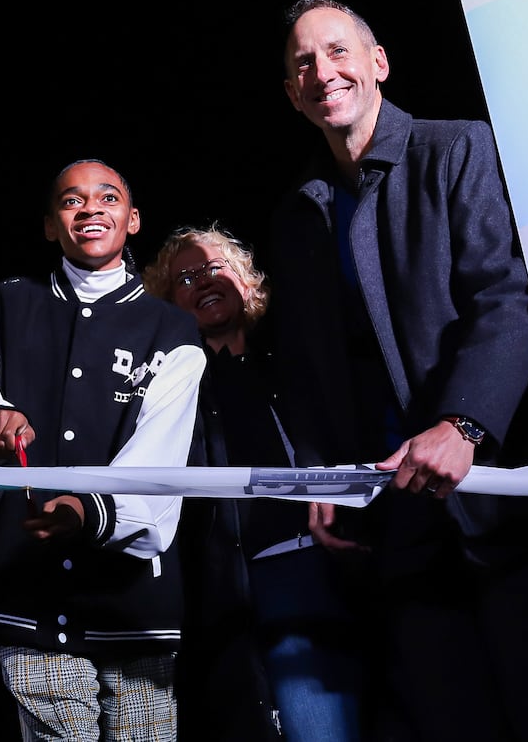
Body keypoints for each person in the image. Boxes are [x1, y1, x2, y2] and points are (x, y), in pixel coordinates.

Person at [267, 0, 528, 741]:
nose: (322, 70)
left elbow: (506, 300)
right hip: (393, 530)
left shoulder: (456, 147)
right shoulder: (297, 214)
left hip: (496, 510)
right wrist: (317, 476)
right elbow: (304, 369)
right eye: (304, 61)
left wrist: (464, 424)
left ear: (379, 64)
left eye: (337, 50)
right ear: (292, 93)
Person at [0, 158, 208, 742]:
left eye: (107, 197)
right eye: (71, 201)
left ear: (132, 220)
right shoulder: (4, 306)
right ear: (51, 225)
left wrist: (88, 509)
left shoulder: (171, 331)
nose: (90, 209)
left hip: (135, 599)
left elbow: (161, 455)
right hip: (21, 587)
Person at [143, 223, 363, 742]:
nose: (203, 281)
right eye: (185, 278)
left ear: (246, 280)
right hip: (254, 578)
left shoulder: (304, 358)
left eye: (215, 268)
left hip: (350, 560)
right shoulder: (173, 388)